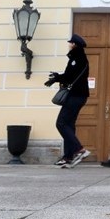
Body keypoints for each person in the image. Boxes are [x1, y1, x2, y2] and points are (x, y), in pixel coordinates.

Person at [45, 33, 90, 168]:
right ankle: (68, 157)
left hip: (76, 96)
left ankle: (79, 150)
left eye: (70, 43)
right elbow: (70, 75)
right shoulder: (77, 58)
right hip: (78, 96)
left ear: (74, 44)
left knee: (61, 123)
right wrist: (57, 77)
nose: (69, 45)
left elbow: (70, 76)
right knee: (69, 125)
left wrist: (58, 78)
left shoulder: (78, 58)